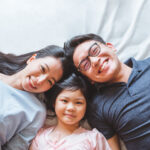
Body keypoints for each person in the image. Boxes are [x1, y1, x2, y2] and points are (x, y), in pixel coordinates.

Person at [64, 33, 150, 150]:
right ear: (89, 79)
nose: (94, 61)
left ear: (110, 47)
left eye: (94, 50)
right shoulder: (97, 107)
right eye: (85, 64)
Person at [0, 45, 69, 150]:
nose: (40, 81)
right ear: (32, 59)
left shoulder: (36, 111)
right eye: (42, 69)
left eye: (50, 81)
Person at [30, 73, 111, 150]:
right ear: (54, 103)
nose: (71, 108)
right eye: (65, 101)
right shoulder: (39, 138)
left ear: (86, 106)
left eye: (78, 102)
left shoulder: (93, 139)